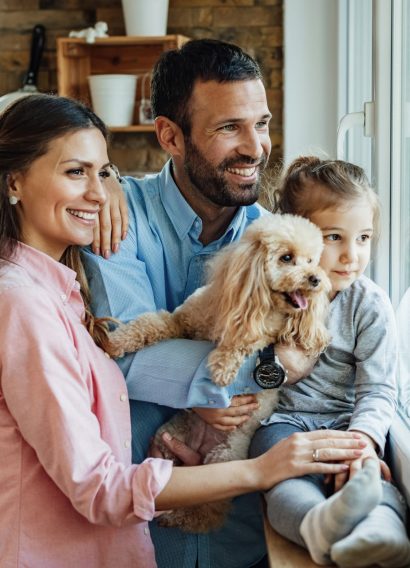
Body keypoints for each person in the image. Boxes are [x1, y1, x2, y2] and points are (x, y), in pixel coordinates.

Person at [0, 94, 368, 568]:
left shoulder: (62, 289)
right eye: (76, 172)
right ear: (14, 180)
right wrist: (260, 468)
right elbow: (98, 485)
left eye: (104, 172)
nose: (98, 194)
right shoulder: (24, 302)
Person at [83, 38, 322, 568]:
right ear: (169, 135)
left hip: (243, 538)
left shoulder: (277, 241)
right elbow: (121, 358)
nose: (255, 147)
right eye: (228, 127)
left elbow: (314, 346)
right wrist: (269, 369)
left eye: (260, 123)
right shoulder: (117, 220)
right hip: (142, 534)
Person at [249, 157, 410, 568]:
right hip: (283, 423)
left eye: (363, 238)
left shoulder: (369, 305)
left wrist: (364, 443)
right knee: (283, 486)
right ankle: (315, 524)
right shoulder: (277, 294)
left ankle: (382, 531)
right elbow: (254, 369)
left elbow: (378, 387)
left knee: (373, 476)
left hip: (345, 423)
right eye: (334, 237)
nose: (350, 255)